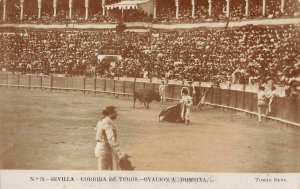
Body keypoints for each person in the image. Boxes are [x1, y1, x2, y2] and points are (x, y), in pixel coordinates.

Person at [94, 106, 127, 170]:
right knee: (104, 174)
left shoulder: (102, 120)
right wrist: (119, 153)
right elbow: (111, 140)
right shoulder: (107, 123)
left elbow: (96, 129)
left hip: (102, 148)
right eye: (115, 112)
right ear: (110, 113)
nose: (117, 114)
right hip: (104, 150)